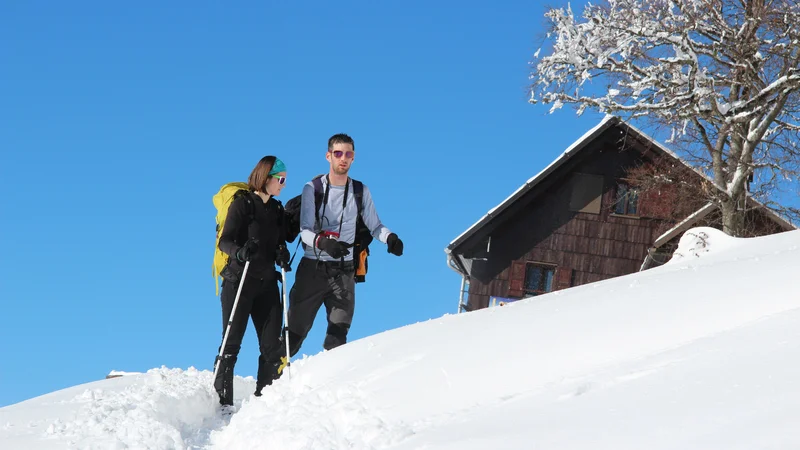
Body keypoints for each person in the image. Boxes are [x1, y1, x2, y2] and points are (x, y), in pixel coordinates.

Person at [265, 133, 404, 375]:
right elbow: (305, 230)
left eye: (348, 154)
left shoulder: (360, 190)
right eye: (338, 153)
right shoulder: (313, 189)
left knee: (337, 338)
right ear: (328, 156)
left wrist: (390, 238)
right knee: (292, 337)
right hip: (313, 270)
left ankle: (329, 395)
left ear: (353, 157)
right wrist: (323, 243)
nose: (343, 158)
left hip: (345, 273)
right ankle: (267, 386)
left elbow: (375, 225)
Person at [214, 156, 292, 405]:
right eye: (280, 179)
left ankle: (264, 401)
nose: (283, 184)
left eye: (285, 180)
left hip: (266, 283)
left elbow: (279, 241)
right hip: (239, 281)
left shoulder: (277, 210)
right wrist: (239, 251)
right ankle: (223, 404)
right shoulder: (243, 204)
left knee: (272, 347)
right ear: (266, 177)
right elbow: (224, 241)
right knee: (231, 344)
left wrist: (282, 253)